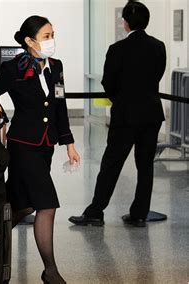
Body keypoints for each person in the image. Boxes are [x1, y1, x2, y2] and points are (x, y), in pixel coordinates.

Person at [0, 16, 80, 283]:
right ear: (29, 41)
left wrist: (69, 143)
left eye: (52, 34)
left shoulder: (56, 66)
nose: (51, 40)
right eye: (46, 36)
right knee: (46, 204)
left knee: (21, 205)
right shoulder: (14, 68)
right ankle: (51, 271)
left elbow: (59, 105)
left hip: (45, 145)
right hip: (23, 145)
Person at [69, 1, 166, 228]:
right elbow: (158, 74)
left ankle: (96, 211)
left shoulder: (117, 49)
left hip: (125, 116)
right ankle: (139, 213)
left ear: (125, 23)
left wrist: (121, 99)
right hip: (151, 114)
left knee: (111, 163)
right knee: (145, 165)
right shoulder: (158, 46)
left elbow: (108, 83)